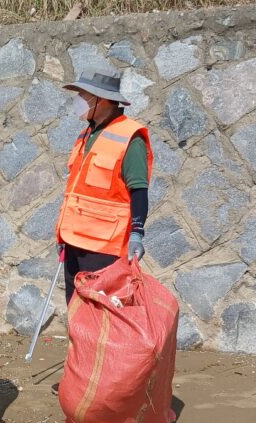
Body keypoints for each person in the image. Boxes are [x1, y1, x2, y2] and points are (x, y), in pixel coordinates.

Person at [55, 68, 153, 305]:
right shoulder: (85, 135)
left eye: (84, 95)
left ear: (103, 100)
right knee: (77, 312)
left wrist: (137, 234)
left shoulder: (130, 137)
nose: (79, 100)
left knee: (101, 315)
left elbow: (138, 190)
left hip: (104, 248)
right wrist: (62, 233)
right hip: (74, 242)